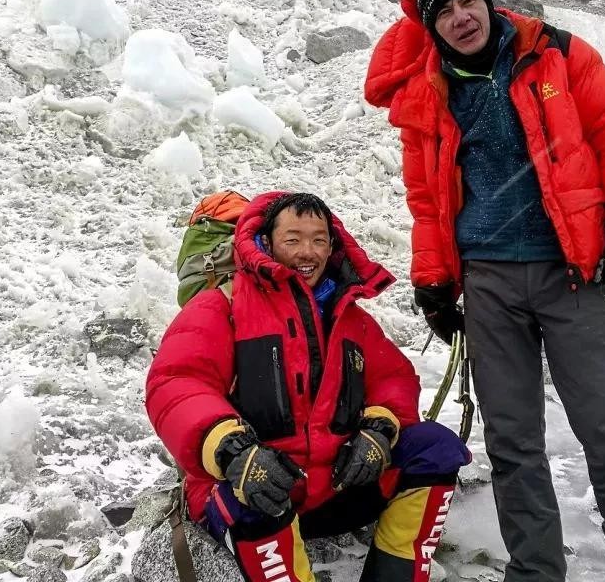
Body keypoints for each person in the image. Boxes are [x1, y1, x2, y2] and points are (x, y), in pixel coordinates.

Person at [363, 0, 605, 582]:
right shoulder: (429, 94)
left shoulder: (556, 54)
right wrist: (433, 282)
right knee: (512, 446)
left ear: (486, 2)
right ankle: (535, 572)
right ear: (433, 28)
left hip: (573, 274)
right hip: (488, 285)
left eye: (467, 2)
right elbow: (428, 198)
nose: (460, 17)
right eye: (444, 12)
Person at [146, 191, 471, 582]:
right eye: (293, 239)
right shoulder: (222, 307)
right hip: (255, 488)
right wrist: (233, 451)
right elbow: (176, 382)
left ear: (332, 245)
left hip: (333, 486)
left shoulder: (350, 316)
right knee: (255, 496)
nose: (308, 252)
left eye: (319, 240)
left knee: (436, 448)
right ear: (265, 242)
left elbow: (393, 378)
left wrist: (379, 428)